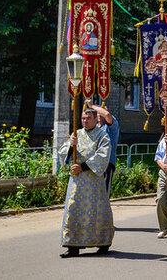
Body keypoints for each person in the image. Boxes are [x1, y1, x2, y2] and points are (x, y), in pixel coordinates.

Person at [58, 108, 114, 258]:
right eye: (83, 118)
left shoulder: (102, 135)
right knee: (73, 208)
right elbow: (63, 153)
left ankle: (102, 242)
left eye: (88, 118)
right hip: (77, 181)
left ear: (96, 119)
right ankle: (72, 246)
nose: (85, 121)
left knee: (97, 211)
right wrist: (71, 145)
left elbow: (103, 155)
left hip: (93, 181)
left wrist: (82, 166)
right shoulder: (76, 134)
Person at [85, 99, 119, 196]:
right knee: (93, 194)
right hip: (94, 165)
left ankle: (104, 211)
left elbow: (107, 115)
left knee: (103, 195)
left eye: (100, 113)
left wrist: (92, 106)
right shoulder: (95, 129)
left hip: (107, 164)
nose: (99, 115)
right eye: (97, 114)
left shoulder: (111, 127)